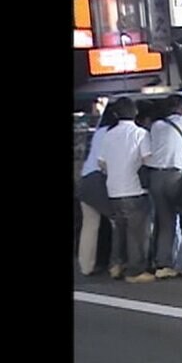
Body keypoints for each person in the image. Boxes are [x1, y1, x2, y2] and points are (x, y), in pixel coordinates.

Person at [97, 97, 154, 283]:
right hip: (134, 190)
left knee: (119, 230)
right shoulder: (141, 134)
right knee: (137, 233)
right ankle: (135, 271)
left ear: (115, 114)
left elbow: (101, 163)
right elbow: (147, 160)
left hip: (113, 189)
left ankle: (116, 265)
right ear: (135, 112)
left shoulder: (108, 135)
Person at [146, 95, 182, 280]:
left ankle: (163, 265)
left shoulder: (157, 126)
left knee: (165, 222)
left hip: (156, 177)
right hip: (177, 176)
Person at [76, 105, 118, 276]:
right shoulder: (114, 133)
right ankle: (117, 262)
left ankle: (86, 266)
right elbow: (107, 163)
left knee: (90, 225)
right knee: (118, 221)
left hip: (85, 178)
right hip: (99, 180)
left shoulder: (100, 131)